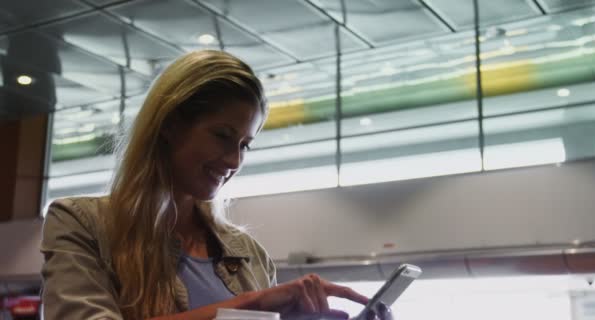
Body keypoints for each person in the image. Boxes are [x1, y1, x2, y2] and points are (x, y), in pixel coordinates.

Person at [40, 50, 393, 320]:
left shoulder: (249, 254)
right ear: (170, 124)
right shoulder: (81, 223)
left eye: (244, 145)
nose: (234, 162)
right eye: (223, 136)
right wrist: (249, 304)